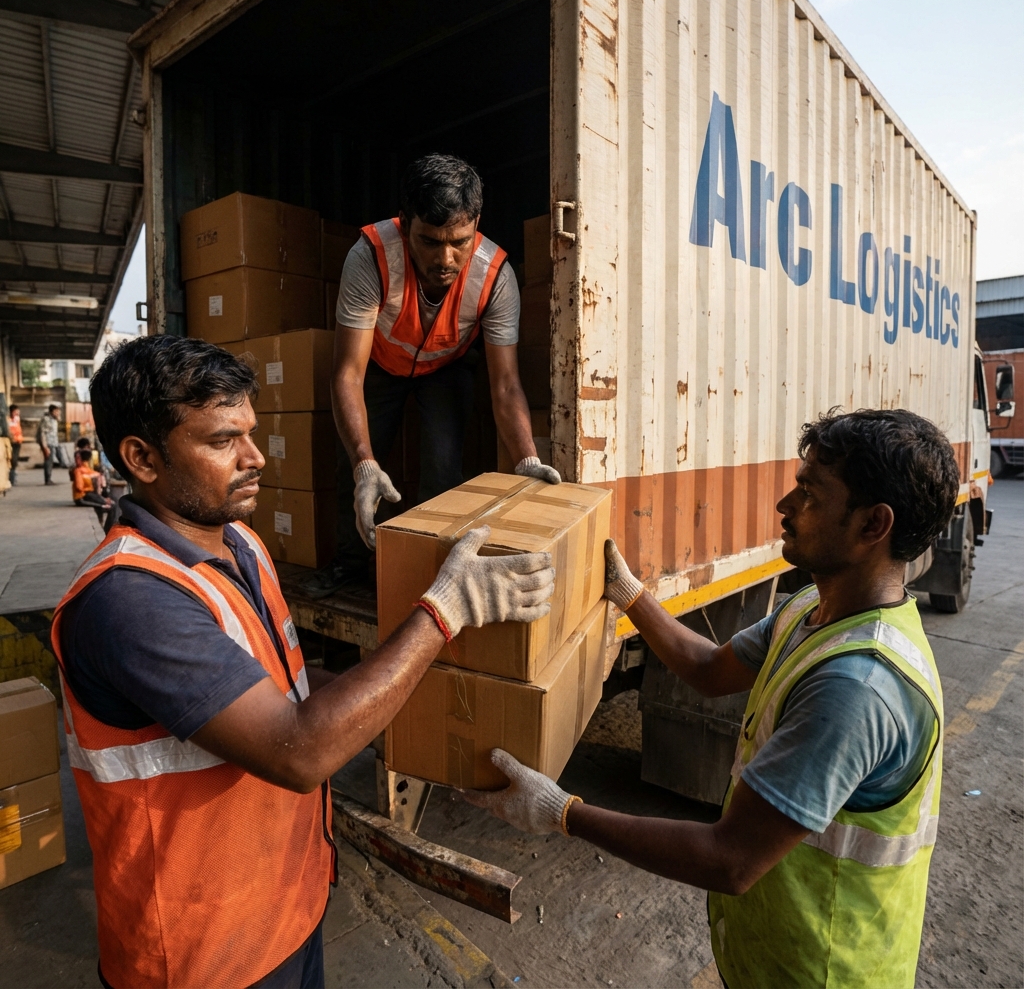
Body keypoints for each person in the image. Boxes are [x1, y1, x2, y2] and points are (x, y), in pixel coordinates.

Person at [49, 335, 554, 989]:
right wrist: (445, 611)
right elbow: (297, 749)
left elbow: (283, 683)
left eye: (252, 433)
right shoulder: (128, 600)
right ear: (142, 458)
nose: (256, 458)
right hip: (204, 956)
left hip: (285, 908)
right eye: (222, 441)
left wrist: (426, 725)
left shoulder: (240, 545)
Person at [466, 408, 960, 989]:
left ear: (873, 525)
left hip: (824, 971)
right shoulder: (811, 610)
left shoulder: (857, 688)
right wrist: (628, 594)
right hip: (772, 956)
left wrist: (564, 814)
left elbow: (731, 859)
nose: (785, 505)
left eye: (810, 493)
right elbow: (706, 667)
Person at [302, 153, 559, 599]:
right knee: (356, 464)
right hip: (380, 365)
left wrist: (526, 460)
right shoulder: (370, 256)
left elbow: (505, 384)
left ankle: (426, 574)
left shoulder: (496, 275)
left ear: (476, 222)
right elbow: (346, 374)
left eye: (459, 241)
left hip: (447, 366)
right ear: (405, 223)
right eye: (429, 241)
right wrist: (366, 463)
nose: (446, 257)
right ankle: (349, 561)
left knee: (443, 470)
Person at [71, 449, 112, 522]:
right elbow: (79, 487)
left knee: (109, 504)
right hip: (83, 496)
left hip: (88, 495)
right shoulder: (80, 471)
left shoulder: (83, 470)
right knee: (108, 505)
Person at [37, 403, 60, 484]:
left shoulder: (55, 420)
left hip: (54, 443)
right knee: (48, 461)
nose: (58, 413)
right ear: (51, 411)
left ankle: (49, 478)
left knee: (51, 461)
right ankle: (47, 480)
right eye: (56, 411)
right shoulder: (46, 420)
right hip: (48, 443)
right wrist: (44, 446)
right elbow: (42, 433)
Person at [7, 404, 22, 485]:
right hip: (10, 442)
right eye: (15, 411)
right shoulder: (8, 420)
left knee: (15, 460)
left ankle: (13, 478)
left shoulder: (17, 419)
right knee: (11, 460)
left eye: (18, 411)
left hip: (17, 442)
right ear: (11, 412)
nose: (17, 413)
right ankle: (11, 478)